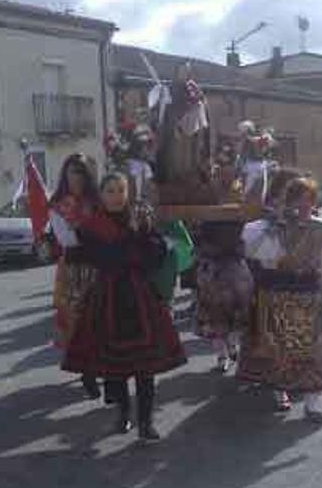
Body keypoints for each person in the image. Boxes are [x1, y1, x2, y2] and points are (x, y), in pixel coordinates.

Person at [62, 173, 187, 441]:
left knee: (145, 366)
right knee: (113, 367)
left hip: (140, 297)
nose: (117, 196)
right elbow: (93, 257)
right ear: (101, 194)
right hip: (106, 297)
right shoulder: (90, 226)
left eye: (121, 190)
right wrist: (129, 252)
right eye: (110, 191)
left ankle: (146, 422)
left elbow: (154, 252)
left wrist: (134, 252)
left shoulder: (141, 218)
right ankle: (122, 413)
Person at [238, 177, 322, 423]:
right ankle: (280, 393)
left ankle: (313, 405)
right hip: (276, 297)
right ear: (287, 202)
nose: (303, 207)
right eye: (298, 201)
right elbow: (247, 248)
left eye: (309, 201)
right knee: (278, 350)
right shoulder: (270, 228)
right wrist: (271, 226)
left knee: (314, 352)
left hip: (312, 299)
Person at [48, 154, 103, 400]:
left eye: (80, 173)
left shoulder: (98, 201)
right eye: (71, 172)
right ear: (65, 175)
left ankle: (99, 368)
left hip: (100, 266)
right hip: (73, 268)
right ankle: (87, 372)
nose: (76, 178)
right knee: (77, 321)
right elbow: (67, 240)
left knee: (100, 319)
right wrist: (89, 233)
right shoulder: (58, 204)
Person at [194, 151, 254, 373]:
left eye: (230, 169)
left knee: (240, 304)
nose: (226, 174)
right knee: (213, 309)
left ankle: (233, 343)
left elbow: (250, 220)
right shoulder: (207, 191)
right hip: (212, 257)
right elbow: (196, 221)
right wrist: (203, 244)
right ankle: (221, 354)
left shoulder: (243, 192)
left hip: (235, 257)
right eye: (222, 169)